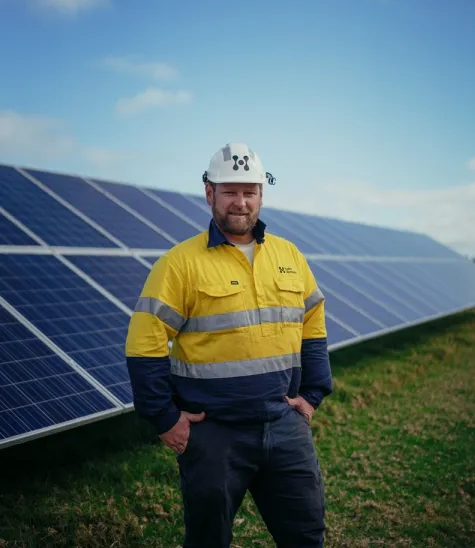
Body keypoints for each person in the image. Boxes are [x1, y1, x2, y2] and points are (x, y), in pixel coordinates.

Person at [125, 142, 333, 548]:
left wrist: (312, 394)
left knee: (306, 536)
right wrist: (165, 417)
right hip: (214, 436)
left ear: (261, 194)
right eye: (230, 191)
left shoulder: (289, 255)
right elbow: (144, 343)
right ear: (210, 194)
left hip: (285, 427)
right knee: (208, 540)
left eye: (250, 191)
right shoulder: (179, 263)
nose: (241, 202)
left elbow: (313, 323)